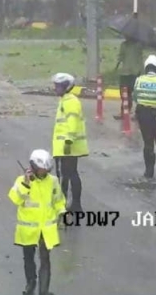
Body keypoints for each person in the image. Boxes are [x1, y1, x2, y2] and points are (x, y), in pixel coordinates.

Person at [8, 149, 66, 295]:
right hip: (28, 230)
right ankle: (31, 282)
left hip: (46, 229)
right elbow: (15, 199)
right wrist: (26, 185)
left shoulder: (53, 181)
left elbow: (58, 200)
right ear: (33, 167)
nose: (43, 172)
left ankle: (44, 291)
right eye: (40, 169)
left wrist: (62, 213)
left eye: (46, 170)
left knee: (45, 260)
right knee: (28, 258)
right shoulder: (21, 181)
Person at [51, 72, 88, 212]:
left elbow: (72, 124)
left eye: (58, 86)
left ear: (66, 87)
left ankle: (74, 204)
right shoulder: (65, 100)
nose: (55, 89)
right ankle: (69, 203)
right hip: (65, 147)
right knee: (68, 174)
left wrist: (68, 142)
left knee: (69, 174)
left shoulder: (71, 102)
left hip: (68, 147)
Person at [115, 37, 143, 117]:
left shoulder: (129, 45)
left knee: (129, 93)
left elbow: (120, 57)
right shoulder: (136, 45)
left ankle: (130, 111)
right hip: (131, 72)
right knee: (128, 93)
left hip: (130, 72)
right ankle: (126, 110)